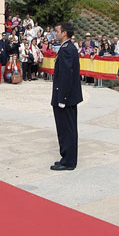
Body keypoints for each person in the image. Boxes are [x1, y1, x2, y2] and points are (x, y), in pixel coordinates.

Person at [51, 22, 82, 170]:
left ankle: (69, 161)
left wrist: (62, 98)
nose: (55, 33)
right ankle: (66, 157)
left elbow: (66, 76)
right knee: (65, 128)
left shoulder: (67, 50)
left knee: (66, 129)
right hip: (66, 97)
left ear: (64, 33)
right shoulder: (67, 48)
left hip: (66, 98)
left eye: (57, 31)